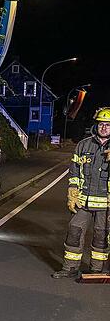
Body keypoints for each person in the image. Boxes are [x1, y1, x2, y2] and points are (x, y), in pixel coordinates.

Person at [52, 108, 110, 278]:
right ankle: (70, 268)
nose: (104, 127)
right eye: (101, 124)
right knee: (74, 232)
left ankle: (97, 270)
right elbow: (74, 171)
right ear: (96, 125)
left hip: (105, 203)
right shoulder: (83, 145)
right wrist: (72, 191)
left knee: (101, 236)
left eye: (108, 125)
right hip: (83, 200)